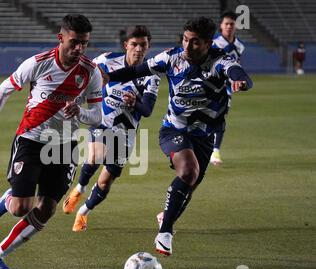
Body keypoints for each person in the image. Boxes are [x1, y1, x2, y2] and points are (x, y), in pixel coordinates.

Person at [103, 16, 253, 256]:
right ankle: (165, 232)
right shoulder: (171, 58)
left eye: (194, 42)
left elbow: (238, 72)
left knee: (189, 185)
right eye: (185, 40)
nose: (187, 46)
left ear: (207, 44)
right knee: (189, 171)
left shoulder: (221, 60)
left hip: (205, 135)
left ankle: (166, 216)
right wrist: (107, 77)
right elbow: (136, 70)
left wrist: (240, 81)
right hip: (174, 129)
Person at [0, 14, 103, 269]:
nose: (79, 48)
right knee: (21, 208)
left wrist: (79, 112)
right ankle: (7, 200)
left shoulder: (90, 72)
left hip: (64, 145)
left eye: (85, 43)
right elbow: (4, 90)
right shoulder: (38, 63)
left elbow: (97, 117)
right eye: (74, 42)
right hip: (31, 140)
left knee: (47, 208)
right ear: (61, 38)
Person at [62, 25, 160, 232]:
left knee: (106, 182)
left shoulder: (151, 76)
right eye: (134, 44)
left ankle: (83, 212)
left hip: (126, 134)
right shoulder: (106, 61)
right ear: (126, 45)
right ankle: (79, 188)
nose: (138, 49)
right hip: (102, 122)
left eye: (143, 45)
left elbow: (148, 110)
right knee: (96, 155)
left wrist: (135, 103)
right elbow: (84, 73)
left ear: (148, 47)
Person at [210, 11, 245, 166]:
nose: (229, 27)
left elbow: (237, 65)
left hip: (226, 88)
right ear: (221, 26)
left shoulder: (239, 46)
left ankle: (215, 151)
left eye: (232, 24)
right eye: (227, 24)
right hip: (209, 86)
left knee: (220, 117)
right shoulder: (214, 44)